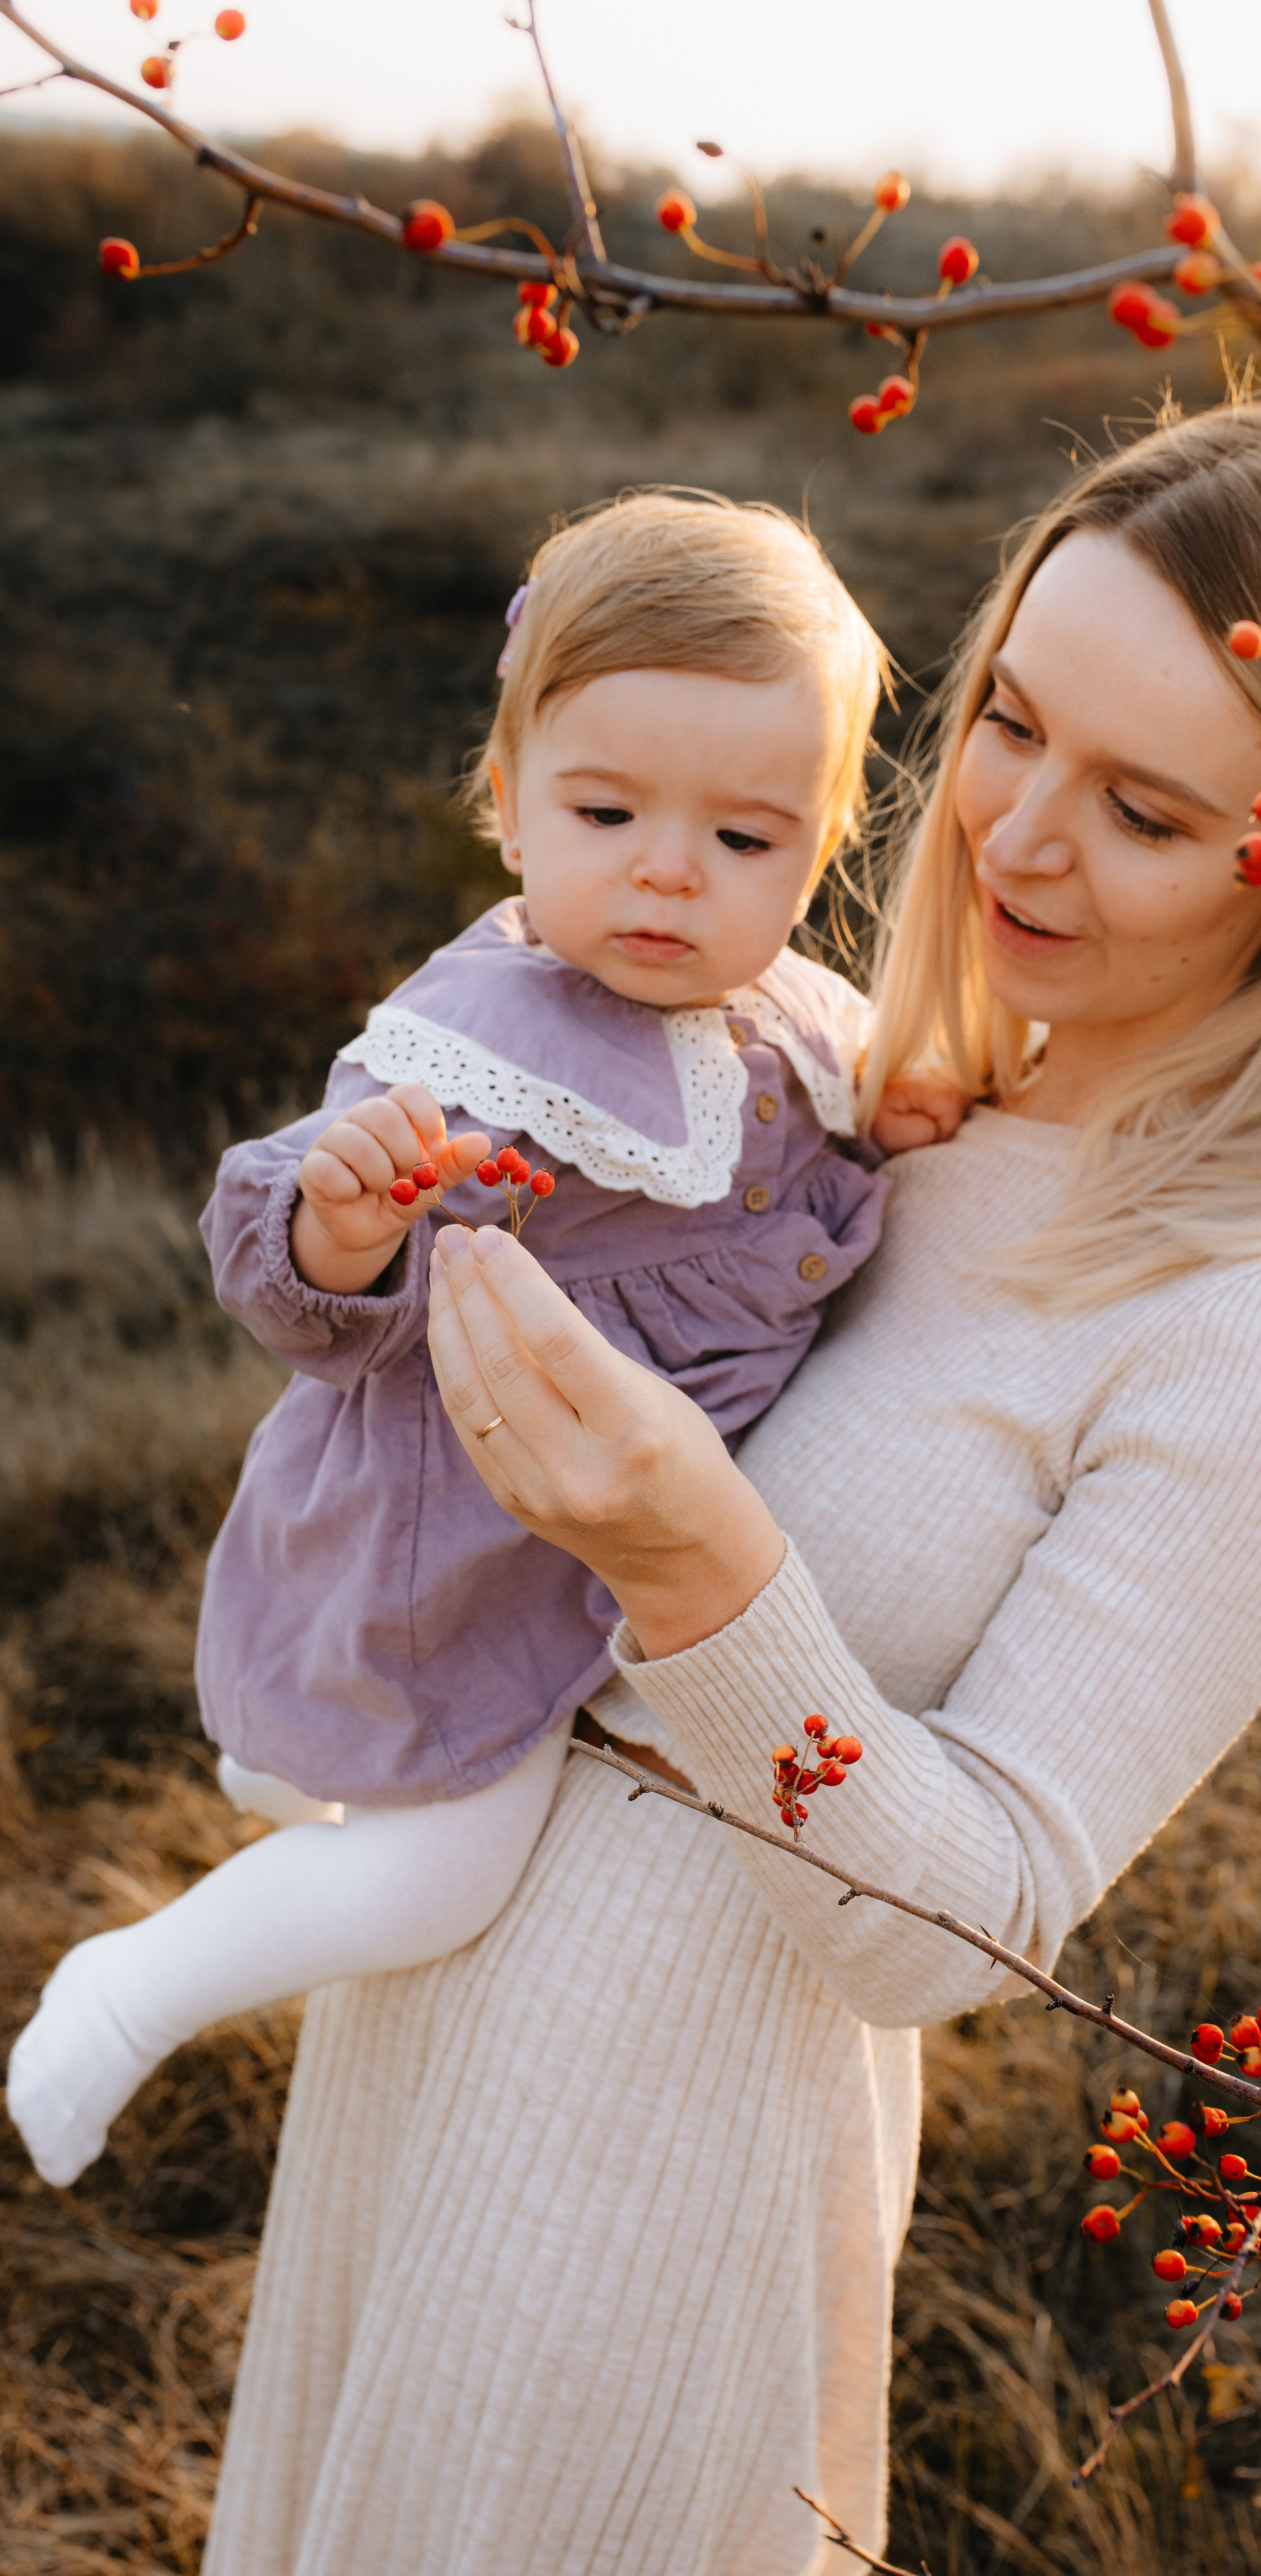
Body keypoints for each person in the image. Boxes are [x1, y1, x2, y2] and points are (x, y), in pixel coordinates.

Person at [200, 399, 1261, 2576]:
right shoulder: (844, 1084)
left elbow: (979, 1910)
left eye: (1150, 810)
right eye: (1008, 718)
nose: (1016, 836)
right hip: (430, 2010)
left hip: (662, 2157)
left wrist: (698, 1567)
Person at [6, 491, 966, 2191]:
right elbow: (279, 1262)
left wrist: (908, 1107)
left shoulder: (788, 1017)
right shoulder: (481, 1030)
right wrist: (348, 1218)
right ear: (508, 804)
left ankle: (296, 1778)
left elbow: (817, 1154)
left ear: (818, 851)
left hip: (603, 1534)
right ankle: (128, 1985)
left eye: (745, 841)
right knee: (447, 1863)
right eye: (606, 809)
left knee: (429, 1803)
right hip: (453, 1530)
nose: (670, 870)